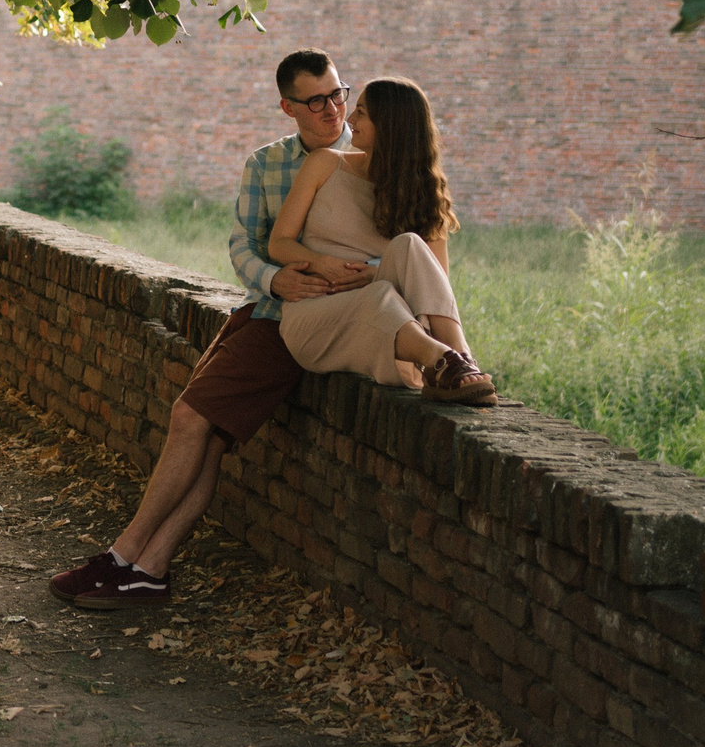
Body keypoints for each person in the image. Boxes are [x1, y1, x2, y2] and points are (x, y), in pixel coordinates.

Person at [47, 49, 368, 611]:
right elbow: (243, 247)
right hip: (263, 311)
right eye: (316, 100)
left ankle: (123, 557)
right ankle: (149, 570)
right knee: (209, 440)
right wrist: (274, 280)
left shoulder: (367, 163)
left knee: (189, 418)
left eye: (338, 94)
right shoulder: (266, 164)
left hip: (302, 326)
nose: (332, 109)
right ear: (288, 107)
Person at [269, 77, 494, 404]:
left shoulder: (425, 193)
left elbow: (435, 284)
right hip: (316, 315)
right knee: (379, 295)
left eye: (361, 112)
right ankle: (442, 361)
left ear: (390, 125)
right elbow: (279, 243)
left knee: (409, 245)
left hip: (391, 318)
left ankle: (460, 357)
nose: (350, 119)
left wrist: (378, 273)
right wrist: (322, 264)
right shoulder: (325, 163)